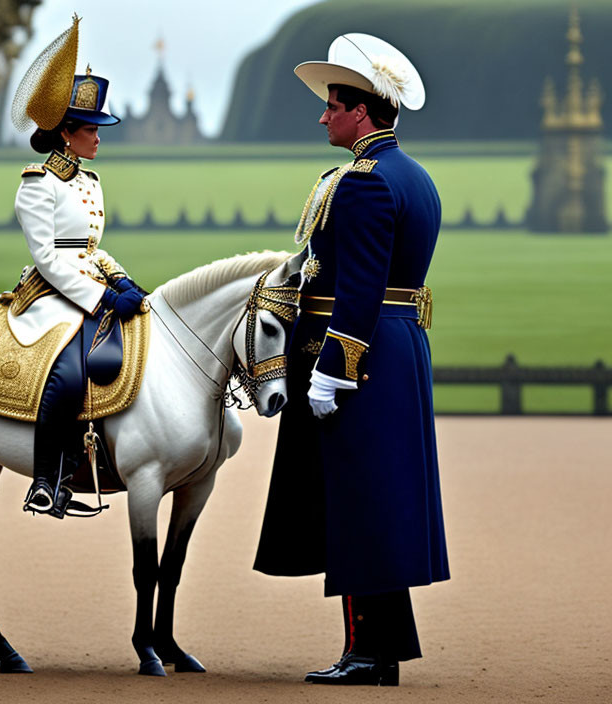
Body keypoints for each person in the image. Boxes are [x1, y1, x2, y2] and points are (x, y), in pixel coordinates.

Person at [253, 34, 450, 686]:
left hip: (358, 353)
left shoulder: (363, 184)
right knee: (380, 499)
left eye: (332, 105)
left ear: (361, 112)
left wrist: (333, 369)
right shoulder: (413, 176)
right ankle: (381, 646)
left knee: (360, 502)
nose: (322, 116)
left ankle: (367, 653)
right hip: (399, 347)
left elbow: (360, 287)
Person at [10, 16, 144, 515]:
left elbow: (89, 247)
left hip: (88, 281)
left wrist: (121, 277)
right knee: (68, 368)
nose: (99, 139)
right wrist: (102, 297)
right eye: (92, 130)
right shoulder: (36, 185)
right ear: (67, 134)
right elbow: (48, 257)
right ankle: (47, 481)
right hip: (50, 289)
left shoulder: (89, 182)